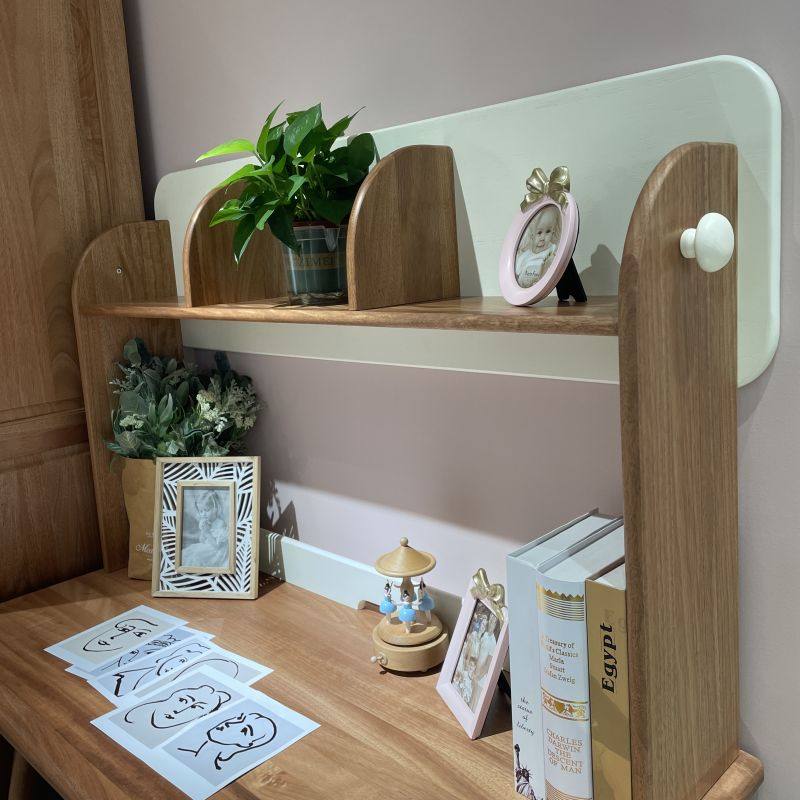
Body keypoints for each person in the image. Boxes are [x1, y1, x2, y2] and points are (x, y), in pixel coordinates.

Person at [177, 711, 277, 771]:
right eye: (239, 718)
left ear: (246, 744)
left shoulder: (210, 771)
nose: (231, 723)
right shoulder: (180, 751)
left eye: (244, 730)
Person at [123, 684, 231, 730]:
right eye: (182, 700)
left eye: (195, 707)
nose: (178, 711)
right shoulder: (135, 715)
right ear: (173, 695)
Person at [515, 205, 560, 288]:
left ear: (553, 232)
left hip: (543, 285)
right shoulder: (526, 255)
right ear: (532, 235)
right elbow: (517, 273)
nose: (543, 238)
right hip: (525, 287)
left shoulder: (552, 249)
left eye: (548, 231)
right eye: (539, 233)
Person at [181, 489, 230, 567]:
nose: (203, 514)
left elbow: (217, 546)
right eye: (201, 511)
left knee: (196, 556)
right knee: (186, 553)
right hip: (208, 547)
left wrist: (207, 532)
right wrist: (203, 531)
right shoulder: (206, 522)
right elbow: (202, 541)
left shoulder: (220, 523)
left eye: (206, 510)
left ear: (215, 509)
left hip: (217, 551)